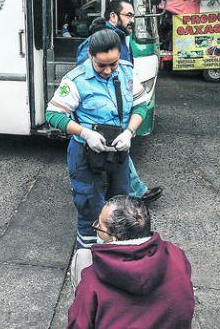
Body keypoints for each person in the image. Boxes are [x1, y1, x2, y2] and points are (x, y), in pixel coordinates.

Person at [46, 29, 149, 249]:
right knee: (90, 210)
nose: (109, 70)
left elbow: (141, 105)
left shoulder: (127, 72)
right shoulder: (75, 80)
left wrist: (129, 131)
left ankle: (116, 257)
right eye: (102, 65)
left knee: (121, 211)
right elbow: (53, 115)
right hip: (86, 155)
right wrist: (85, 132)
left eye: (113, 63)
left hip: (118, 153)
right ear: (91, 54)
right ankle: (86, 259)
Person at [74, 0, 163, 205]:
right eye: (129, 15)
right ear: (113, 16)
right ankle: (130, 193)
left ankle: (128, 190)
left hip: (114, 110)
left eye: (133, 15)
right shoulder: (108, 41)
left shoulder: (120, 38)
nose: (132, 20)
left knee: (117, 147)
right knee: (111, 148)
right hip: (104, 112)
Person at [67, 195, 195, 329]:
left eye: (99, 226)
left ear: (114, 238)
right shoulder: (175, 255)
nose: (97, 227)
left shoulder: (92, 281)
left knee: (82, 256)